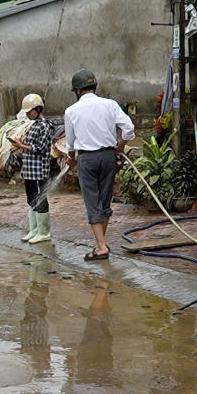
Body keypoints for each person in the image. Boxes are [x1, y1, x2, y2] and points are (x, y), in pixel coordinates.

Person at [63, 69, 134, 261]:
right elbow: (129, 128)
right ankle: (100, 243)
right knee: (105, 199)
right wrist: (121, 146)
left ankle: (101, 247)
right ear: (94, 86)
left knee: (92, 202)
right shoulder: (110, 104)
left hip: (87, 159)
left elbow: (70, 142)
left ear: (77, 91)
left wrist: (71, 157)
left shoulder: (71, 111)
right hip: (108, 156)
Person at [8, 93, 54, 244]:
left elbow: (41, 147)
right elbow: (30, 145)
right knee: (31, 198)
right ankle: (34, 230)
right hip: (29, 170)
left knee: (40, 199)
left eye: (30, 112)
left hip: (39, 170)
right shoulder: (33, 125)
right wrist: (21, 142)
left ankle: (44, 232)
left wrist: (22, 146)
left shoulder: (45, 126)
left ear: (38, 109)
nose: (28, 114)